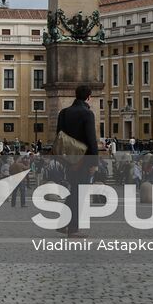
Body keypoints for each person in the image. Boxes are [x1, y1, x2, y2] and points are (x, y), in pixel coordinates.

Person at [56, 85, 99, 237]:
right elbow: (91, 140)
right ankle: (73, 229)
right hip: (83, 160)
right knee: (79, 193)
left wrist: (65, 159)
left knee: (74, 190)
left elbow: (59, 137)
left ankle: (62, 223)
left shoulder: (63, 112)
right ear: (89, 97)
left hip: (69, 159)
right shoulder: (87, 114)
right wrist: (94, 162)